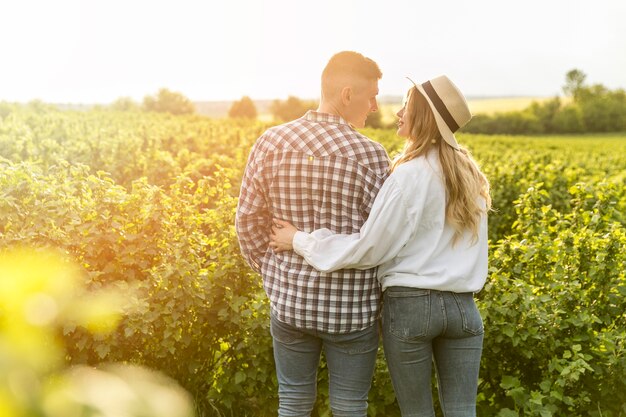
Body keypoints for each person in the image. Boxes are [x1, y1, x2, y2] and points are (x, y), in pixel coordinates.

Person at [270, 75, 491, 417]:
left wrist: (298, 240)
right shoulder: (470, 176)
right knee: (464, 412)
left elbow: (369, 248)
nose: (398, 112)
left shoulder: (407, 176)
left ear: (422, 117)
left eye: (407, 106)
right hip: (464, 308)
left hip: (412, 306)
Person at [235, 51, 390, 416]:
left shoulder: (271, 142)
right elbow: (383, 237)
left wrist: (274, 273)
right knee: (351, 406)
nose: (374, 107)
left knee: (292, 400)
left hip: (290, 303)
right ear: (347, 94)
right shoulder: (372, 156)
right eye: (371, 97)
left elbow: (247, 220)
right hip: (352, 310)